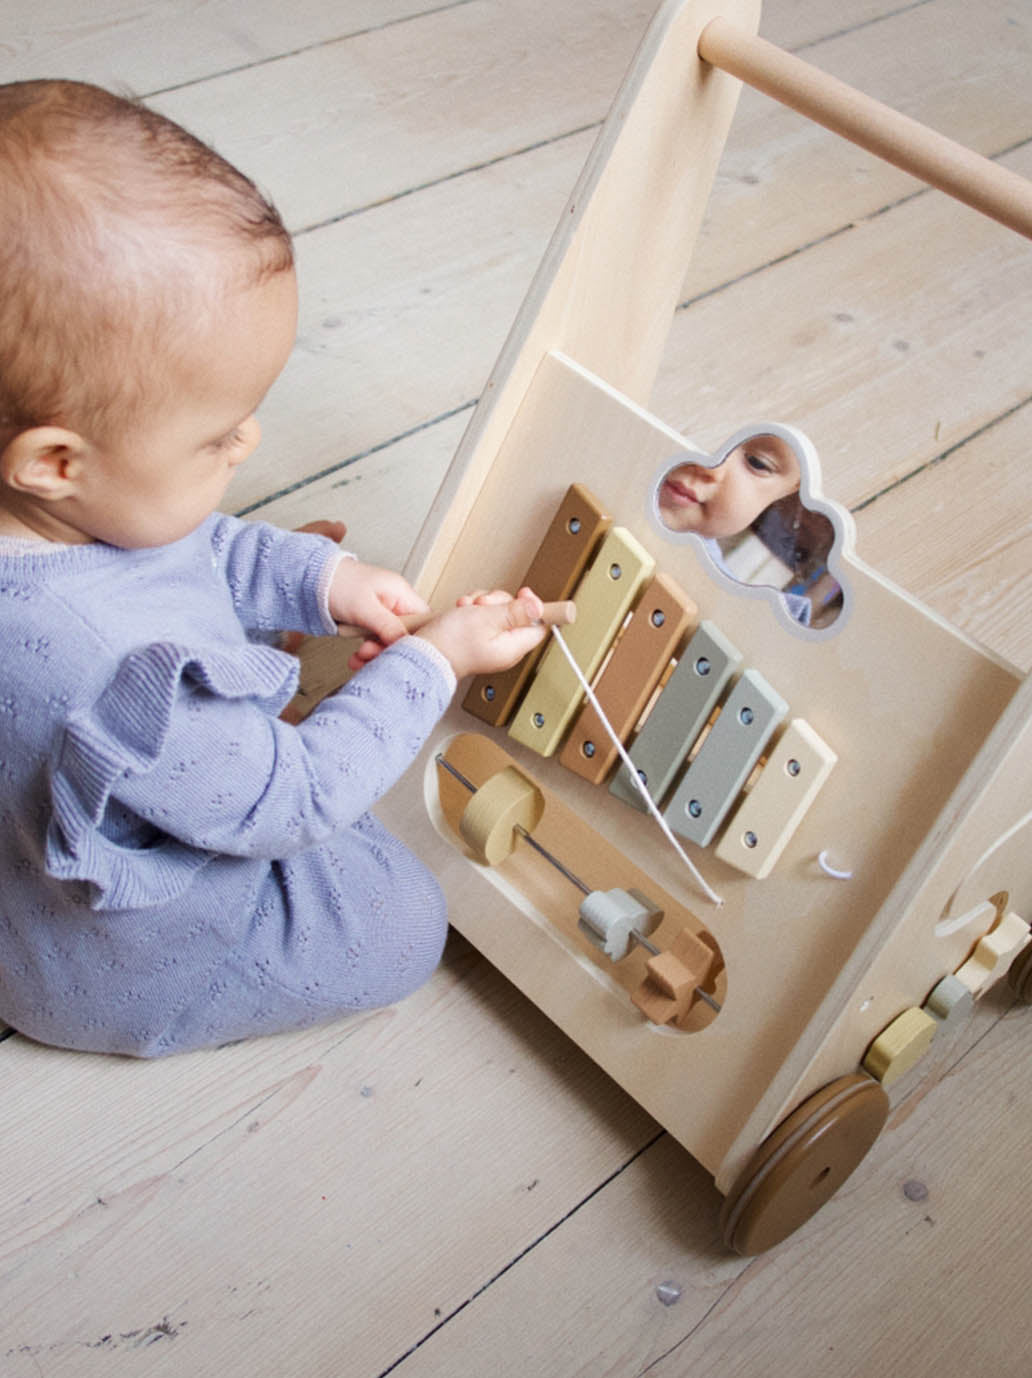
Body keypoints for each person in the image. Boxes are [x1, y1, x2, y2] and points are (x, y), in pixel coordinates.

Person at [0, 80, 548, 1057]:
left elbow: (186, 543)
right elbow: (295, 800)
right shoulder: (104, 665)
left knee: (187, 566)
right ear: (56, 463)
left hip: (51, 824)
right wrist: (432, 660)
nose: (247, 440)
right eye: (215, 438)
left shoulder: (56, 513)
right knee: (404, 924)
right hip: (112, 965)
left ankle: (243, 698)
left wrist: (318, 579)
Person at [656, 429, 841, 628]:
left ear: (786, 492)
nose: (711, 468)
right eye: (703, 433)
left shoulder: (734, 617)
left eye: (757, 463)